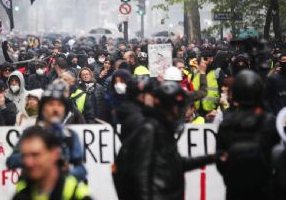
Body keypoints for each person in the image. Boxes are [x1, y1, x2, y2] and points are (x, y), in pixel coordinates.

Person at [113, 81, 223, 200]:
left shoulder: (164, 127)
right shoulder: (151, 129)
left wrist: (211, 158)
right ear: (171, 106)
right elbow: (141, 174)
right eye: (179, 106)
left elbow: (173, 164)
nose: (182, 111)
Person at [216, 70, 279, 200]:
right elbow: (276, 158)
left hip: (235, 189)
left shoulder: (227, 123)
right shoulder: (270, 121)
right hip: (263, 190)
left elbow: (220, 161)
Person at [7, 83, 87, 181]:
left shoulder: (70, 135)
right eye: (51, 104)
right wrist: (36, 157)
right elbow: (11, 161)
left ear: (64, 110)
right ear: (43, 108)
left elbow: (81, 169)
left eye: (59, 105)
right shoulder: (30, 133)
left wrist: (65, 174)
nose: (55, 109)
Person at [12, 126, 92, 200]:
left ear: (55, 153)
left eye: (35, 155)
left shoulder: (78, 195)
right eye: (24, 156)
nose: (28, 162)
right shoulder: (20, 196)